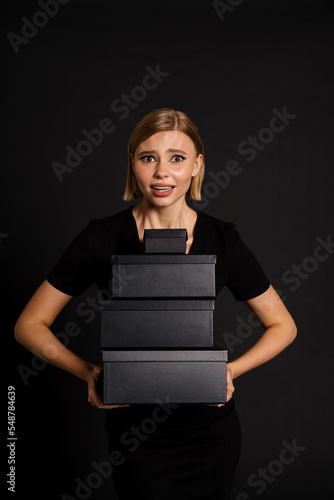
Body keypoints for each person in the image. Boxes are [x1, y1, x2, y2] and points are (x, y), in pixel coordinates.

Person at [14, 108, 297, 499]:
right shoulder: (102, 236)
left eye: (177, 159)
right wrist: (87, 373)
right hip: (135, 433)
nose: (162, 172)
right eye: (149, 158)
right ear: (133, 164)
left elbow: (284, 326)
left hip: (209, 431)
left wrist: (228, 372)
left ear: (197, 166)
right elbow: (28, 324)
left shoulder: (222, 238)